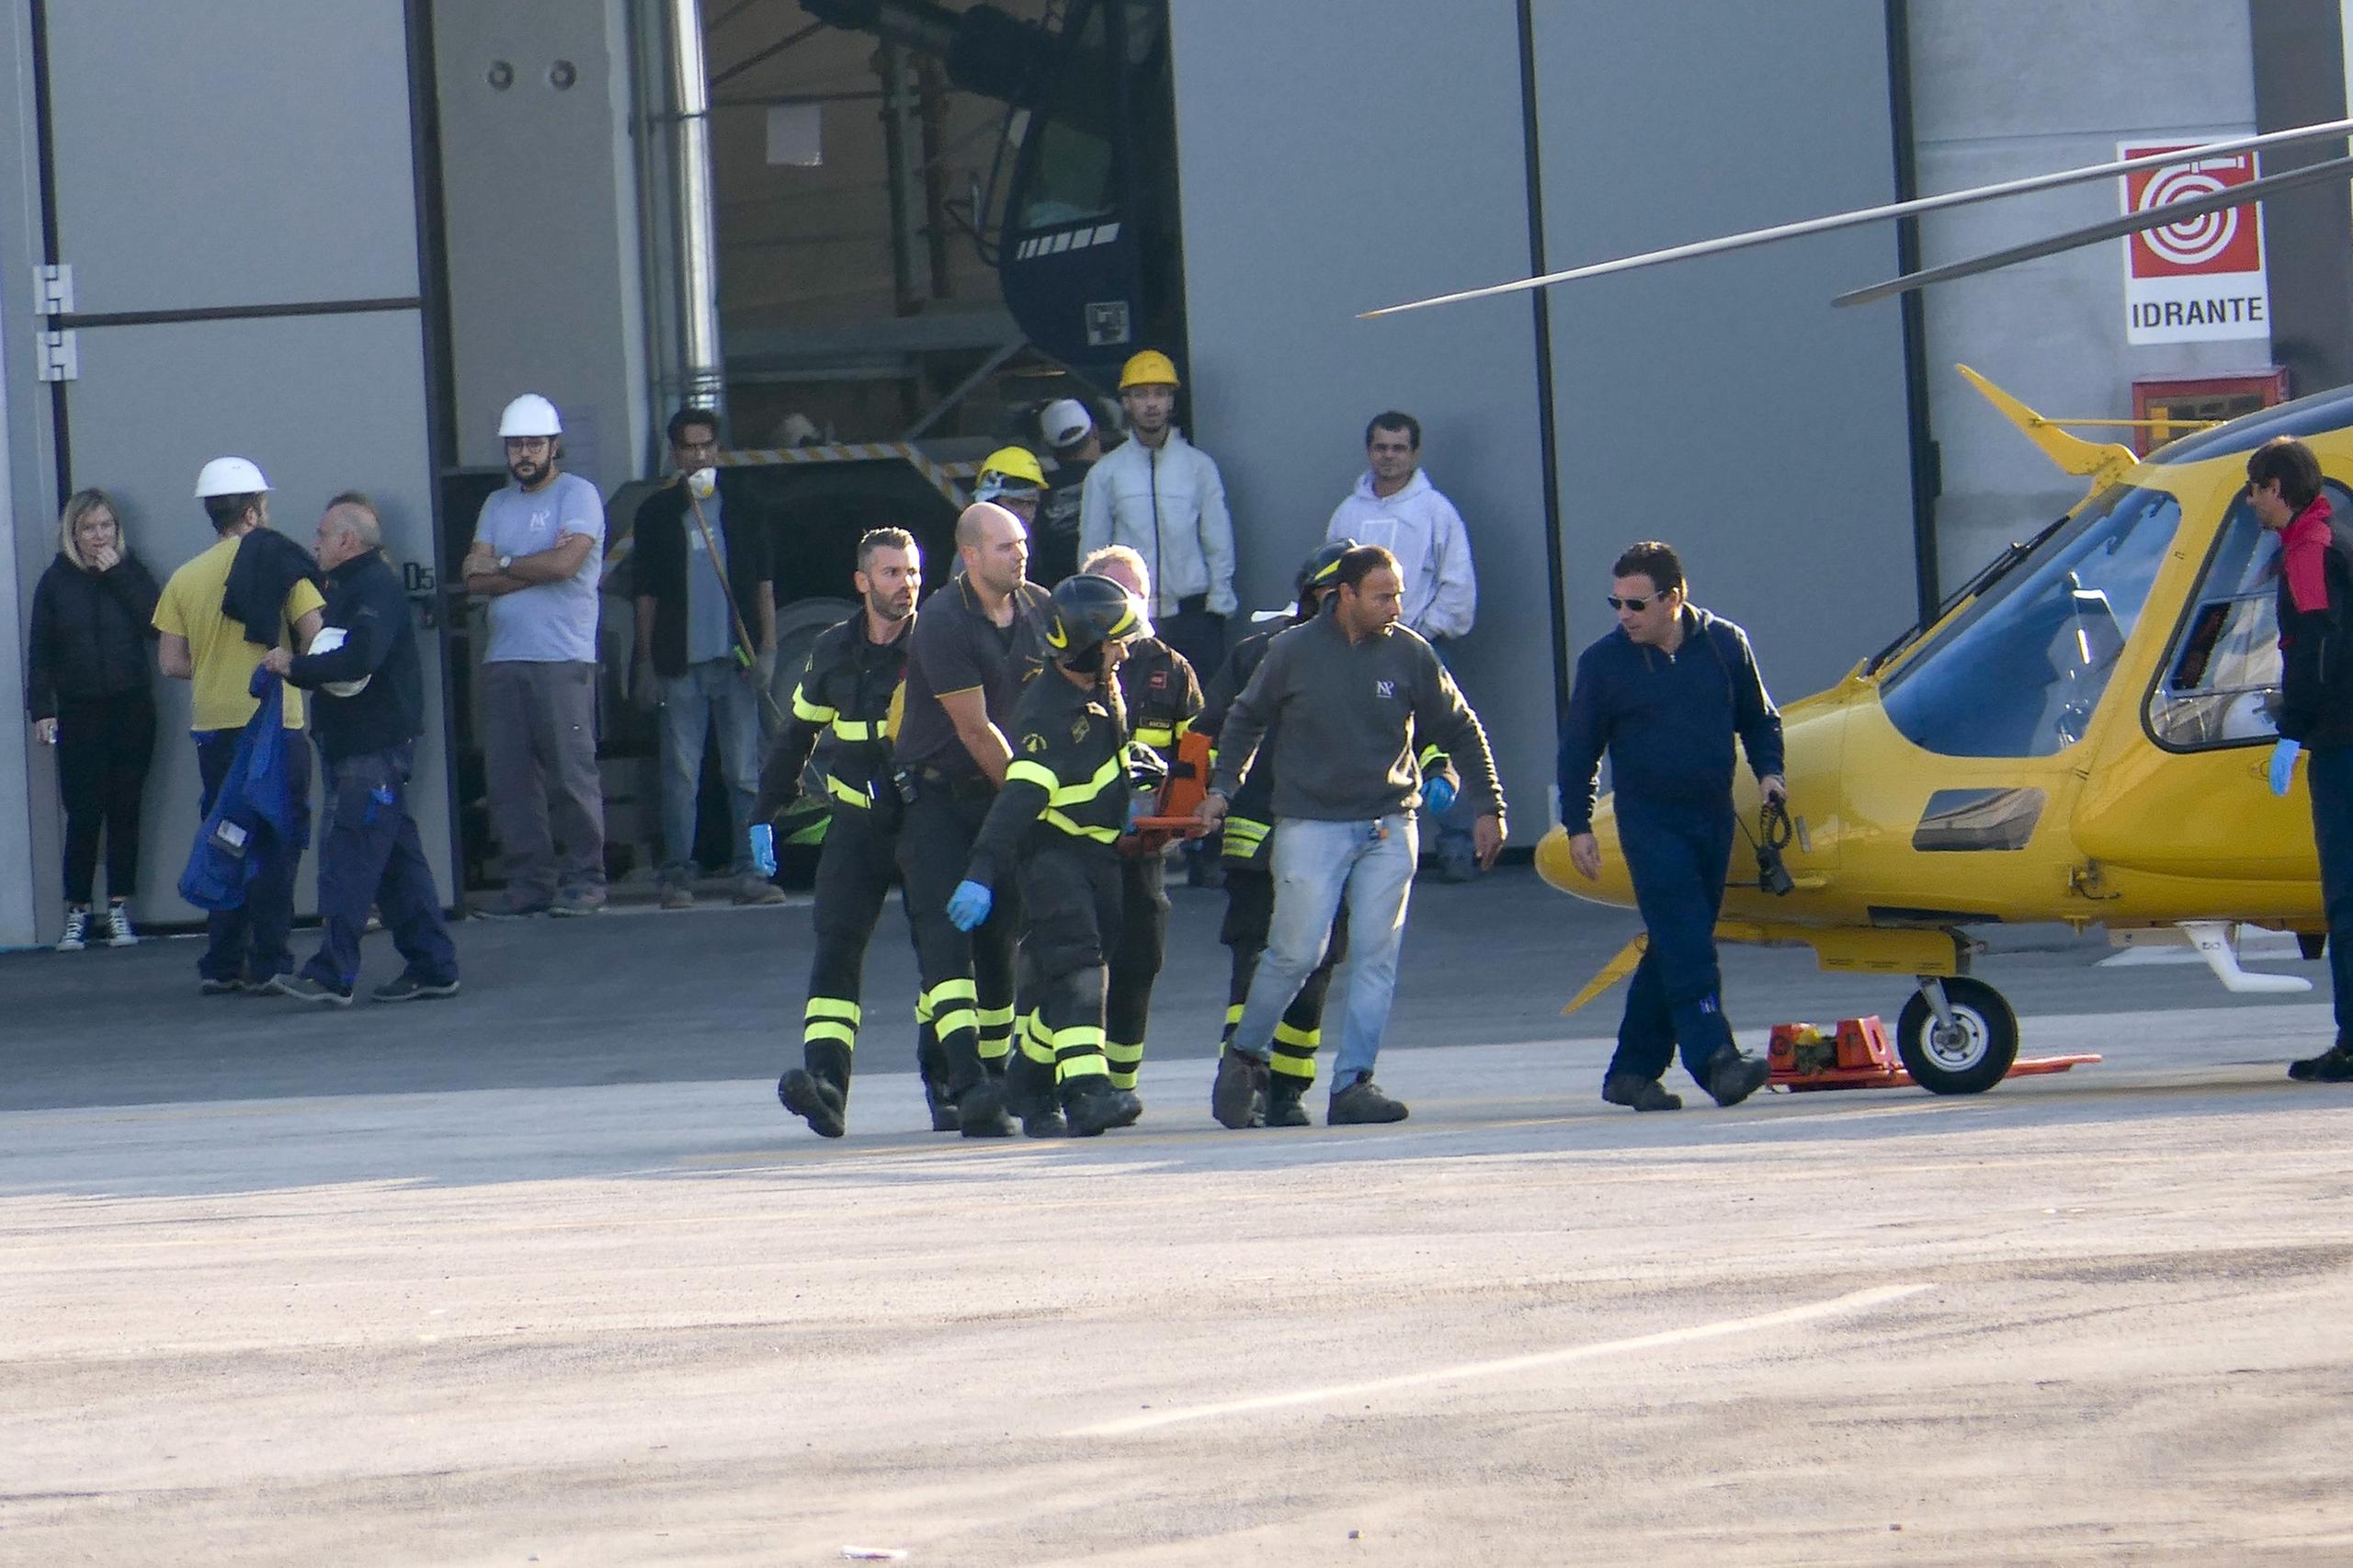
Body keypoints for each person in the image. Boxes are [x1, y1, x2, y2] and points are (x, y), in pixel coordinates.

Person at [1199, 544, 1505, 1128]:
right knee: (1295, 954)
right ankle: (1243, 1058)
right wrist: (1222, 788)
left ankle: (1354, 1083)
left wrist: (1490, 807)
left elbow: (1462, 728)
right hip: (1310, 825)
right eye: (1383, 595)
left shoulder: (1411, 655)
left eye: (1398, 595)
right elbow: (1244, 718)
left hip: (1389, 827)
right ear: (1345, 595)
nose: (1396, 605)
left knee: (1374, 958)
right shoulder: (1289, 652)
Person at [1555, 540, 1780, 1113]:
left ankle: (1631, 1072)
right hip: (1649, 822)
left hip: (1711, 817)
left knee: (1676, 944)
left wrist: (1771, 773)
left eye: (1635, 604)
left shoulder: (1725, 645)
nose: (1622, 616)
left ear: (1673, 599)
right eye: (1616, 603)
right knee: (1687, 938)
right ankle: (1716, 1060)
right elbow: (1579, 751)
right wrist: (1577, 824)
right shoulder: (1603, 665)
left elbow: (1758, 718)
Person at [765, 528, 957, 1136]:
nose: (907, 585)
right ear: (863, 582)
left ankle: (947, 1085)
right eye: (893, 573)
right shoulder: (832, 651)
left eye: (913, 573)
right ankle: (826, 1086)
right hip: (855, 826)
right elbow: (797, 735)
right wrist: (763, 812)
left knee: (942, 960)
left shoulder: (940, 647)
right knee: (835, 953)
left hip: (928, 822)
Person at [946, 574, 1151, 1138]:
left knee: (1062, 979)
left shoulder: (1099, 687)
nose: (1123, 650)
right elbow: (1016, 803)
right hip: (1052, 857)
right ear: (1087, 644)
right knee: (1081, 966)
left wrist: (1131, 774)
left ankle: (1029, 1080)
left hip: (1100, 856)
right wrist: (981, 875)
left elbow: (1097, 754)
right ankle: (1086, 1090)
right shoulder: (1046, 714)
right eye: (1115, 642)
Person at [892, 500, 1055, 1136]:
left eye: (1021, 544)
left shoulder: (1039, 609)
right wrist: (1028, 805)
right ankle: (959, 1083)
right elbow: (976, 731)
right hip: (939, 797)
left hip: (1001, 795)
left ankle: (987, 1077)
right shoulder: (942, 620)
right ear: (970, 556)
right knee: (943, 941)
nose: (1020, 554)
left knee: (999, 946)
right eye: (1005, 546)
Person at [260, 495, 460, 1006]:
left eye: (323, 535)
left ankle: (333, 973)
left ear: (347, 541)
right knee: (395, 861)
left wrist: (294, 667)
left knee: (348, 853)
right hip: (366, 745)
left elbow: (360, 658)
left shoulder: (372, 589)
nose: (316, 544)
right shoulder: (356, 586)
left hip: (369, 748)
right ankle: (432, 965)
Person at [1198, 540, 1357, 1125]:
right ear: (1320, 594)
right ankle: (1253, 1086)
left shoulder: (1370, 654)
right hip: (1269, 833)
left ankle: (1277, 1087)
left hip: (1318, 835)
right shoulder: (1261, 655)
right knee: (1278, 961)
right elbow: (1206, 732)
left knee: (1303, 964)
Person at [153, 457, 324, 994]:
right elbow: (315, 638)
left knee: (226, 837)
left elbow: (171, 663)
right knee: (277, 838)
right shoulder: (281, 564)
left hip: (214, 728)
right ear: (252, 511)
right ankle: (270, 960)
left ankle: (223, 962)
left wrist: (215, 668)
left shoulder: (184, 578)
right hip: (277, 725)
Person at [462, 393, 608, 918]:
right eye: (516, 445)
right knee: (510, 779)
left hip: (562, 659)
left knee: (572, 774)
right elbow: (473, 578)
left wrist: (503, 563)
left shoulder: (579, 495)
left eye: (534, 444)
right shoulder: (497, 503)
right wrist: (527, 565)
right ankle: (529, 884)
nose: (524, 453)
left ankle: (587, 880)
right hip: (504, 659)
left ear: (554, 446)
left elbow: (567, 564)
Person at [631, 405, 782, 910]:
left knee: (745, 771)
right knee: (681, 774)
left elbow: (763, 584)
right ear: (675, 454)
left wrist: (769, 649)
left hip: (734, 661)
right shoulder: (657, 512)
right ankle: (677, 873)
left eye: (706, 446)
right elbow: (646, 594)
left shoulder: (745, 504)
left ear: (718, 449)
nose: (698, 456)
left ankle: (754, 870)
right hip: (680, 662)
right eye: (689, 448)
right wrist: (647, 661)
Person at [1326, 411, 1483, 881]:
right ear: (1368, 451)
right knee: (1364, 741)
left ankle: (1456, 843)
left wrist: (1423, 631)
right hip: (1356, 649)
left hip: (1422, 646)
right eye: (1380, 447)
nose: (1388, 456)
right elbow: (1329, 583)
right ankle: (1368, 844)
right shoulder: (1348, 514)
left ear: (1414, 453)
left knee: (1441, 739)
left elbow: (1458, 585)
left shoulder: (1435, 511)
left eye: (1398, 448)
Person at [1076, 544, 1200, 1105]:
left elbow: (1197, 755)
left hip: (1142, 849)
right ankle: (1070, 1081)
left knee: (1141, 958)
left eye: (1141, 594)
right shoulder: (1064, 662)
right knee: (1072, 962)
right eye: (1122, 594)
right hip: (1076, 847)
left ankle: (1122, 1086)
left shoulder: (1171, 671)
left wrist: (1188, 809)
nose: (1135, 607)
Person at [2249, 437, 2353, 1083]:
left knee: (2346, 899)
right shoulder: (2332, 538)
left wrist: (2294, 727)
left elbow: (2317, 649)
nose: (2251, 500)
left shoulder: (2310, 551)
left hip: (2343, 744)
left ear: (2278, 490)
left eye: (2255, 488)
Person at [27, 488, 161, 950]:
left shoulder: (132, 571)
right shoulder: (56, 582)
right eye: (89, 528)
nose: (99, 536)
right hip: (81, 709)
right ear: (73, 533)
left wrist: (120, 576)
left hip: (131, 705)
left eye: (106, 526)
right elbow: (40, 652)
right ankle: (78, 911)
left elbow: (156, 624)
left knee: (126, 807)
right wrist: (41, 708)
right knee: (84, 813)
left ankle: (120, 907)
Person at [1078, 348, 1236, 680]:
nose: (1151, 404)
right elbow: (1093, 551)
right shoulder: (1106, 473)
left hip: (1194, 617)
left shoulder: (1199, 467)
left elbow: (1217, 540)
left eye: (1160, 394)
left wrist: (1218, 605)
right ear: (1126, 402)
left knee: (1201, 717)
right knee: (1136, 711)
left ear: (1171, 402)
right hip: (1129, 618)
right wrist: (1096, 614)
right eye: (1140, 394)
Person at [1031, 397, 1099, 586]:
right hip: (1108, 594)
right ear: (1094, 431)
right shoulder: (1115, 481)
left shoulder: (1039, 495)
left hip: (1055, 596)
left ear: (1050, 448)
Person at [973, 445, 1047, 531]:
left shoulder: (1023, 538)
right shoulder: (972, 539)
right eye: (1015, 503)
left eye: (1031, 504)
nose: (1025, 513)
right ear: (990, 503)